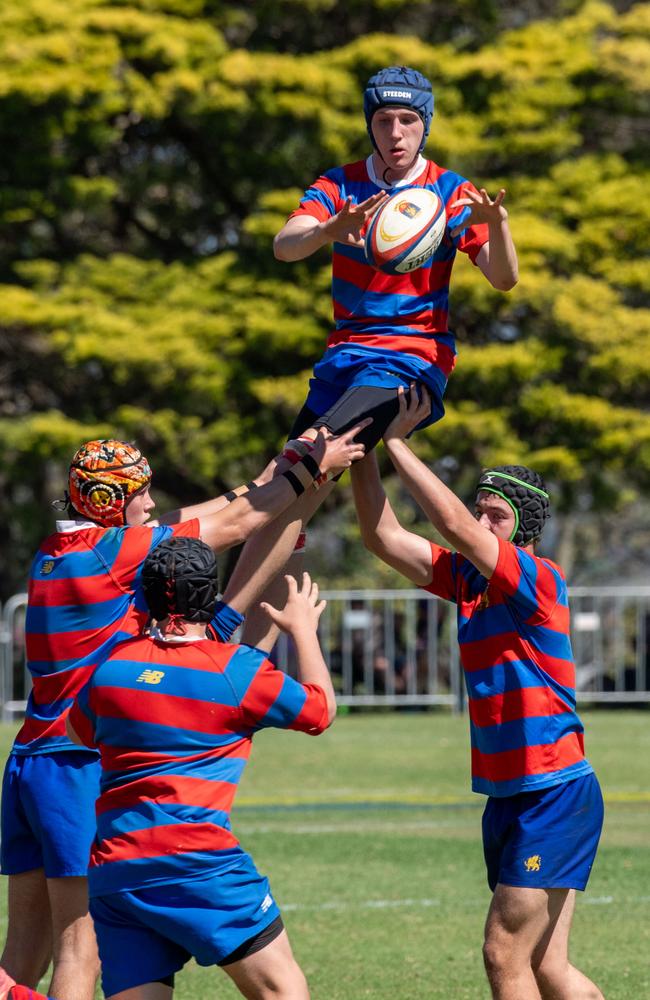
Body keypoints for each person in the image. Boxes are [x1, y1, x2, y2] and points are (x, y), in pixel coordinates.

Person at [0, 429, 365, 1000]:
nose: (151, 505)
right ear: (108, 504)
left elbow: (223, 511)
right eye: (141, 495)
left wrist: (286, 468)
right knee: (80, 950)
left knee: (20, 959)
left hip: (28, 760)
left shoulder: (56, 551)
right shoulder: (115, 552)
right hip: (74, 761)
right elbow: (237, 523)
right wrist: (312, 471)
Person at [224, 63, 518, 649]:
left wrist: (498, 228)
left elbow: (504, 280)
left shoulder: (452, 192)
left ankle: (216, 623)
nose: (397, 131)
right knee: (287, 500)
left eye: (409, 119)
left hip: (409, 361)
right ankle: (234, 659)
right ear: (371, 124)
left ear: (425, 125)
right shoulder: (340, 184)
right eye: (384, 120)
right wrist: (328, 230)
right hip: (344, 361)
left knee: (301, 467)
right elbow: (285, 247)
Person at [351, 387, 604, 1000]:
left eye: (497, 514)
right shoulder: (468, 580)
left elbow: (453, 525)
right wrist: (357, 452)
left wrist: (397, 442)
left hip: (553, 792)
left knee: (502, 954)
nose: (484, 520)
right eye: (482, 509)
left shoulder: (537, 579)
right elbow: (382, 536)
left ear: (525, 525)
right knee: (546, 968)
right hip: (510, 794)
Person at [66, 536, 336, 1000]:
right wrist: (304, 630)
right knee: (282, 991)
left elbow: (78, 734)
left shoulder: (112, 666)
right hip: (197, 865)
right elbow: (319, 711)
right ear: (210, 597)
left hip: (117, 870)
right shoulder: (236, 671)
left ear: (144, 595)